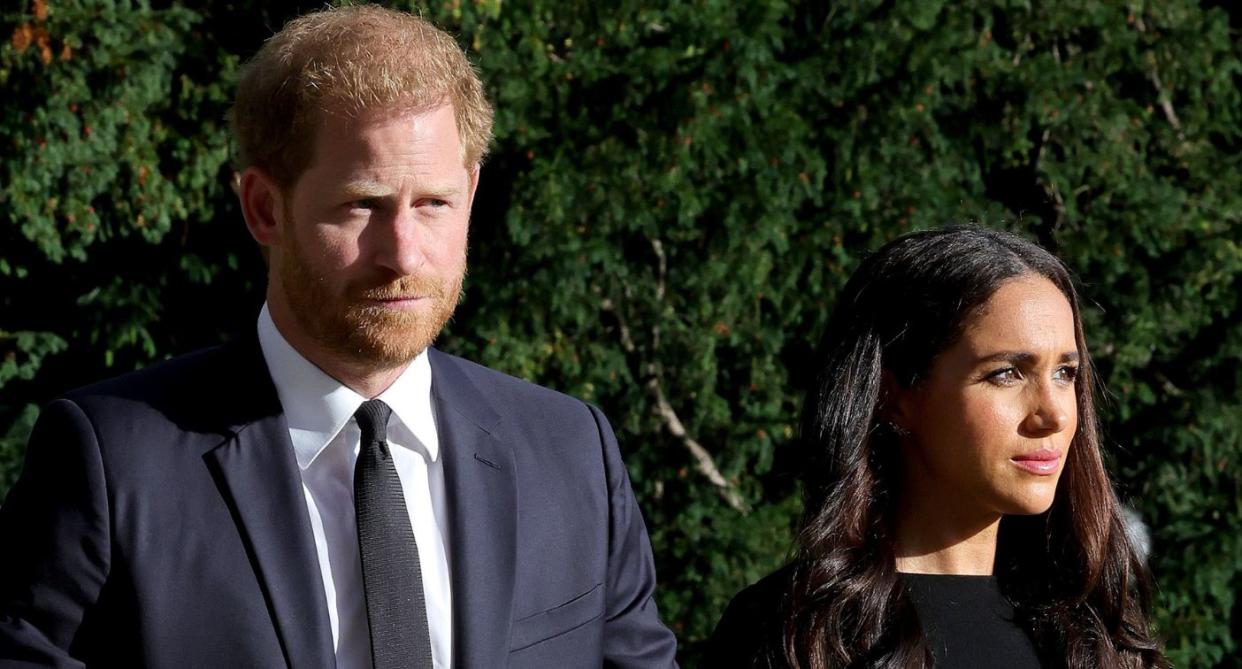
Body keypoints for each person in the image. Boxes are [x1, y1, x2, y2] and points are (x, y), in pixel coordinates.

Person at [0, 6, 678, 668]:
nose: (404, 254)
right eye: (363, 204)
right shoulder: (114, 462)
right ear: (264, 207)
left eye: (434, 204)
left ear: (470, 192)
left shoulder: (571, 453)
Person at [703, 227, 1166, 668]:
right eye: (1006, 373)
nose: (1056, 415)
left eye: (1065, 373)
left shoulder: (1097, 633)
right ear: (896, 396)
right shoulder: (797, 632)